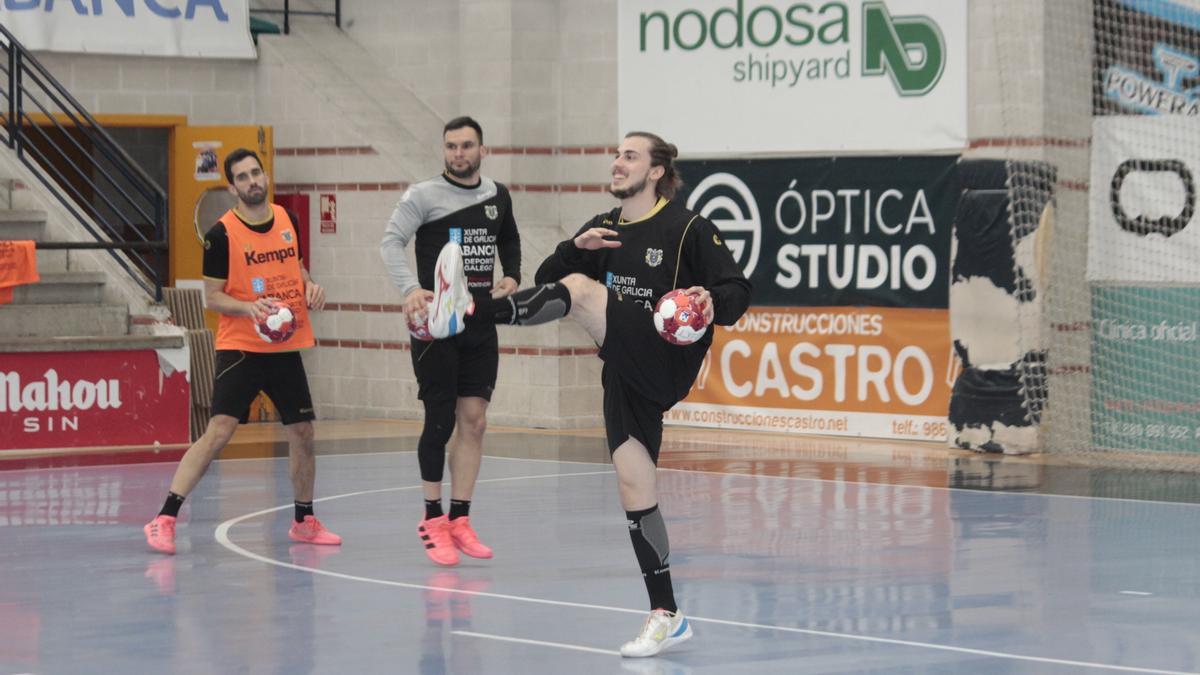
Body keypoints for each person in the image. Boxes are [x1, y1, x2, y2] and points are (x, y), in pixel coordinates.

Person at [427, 131, 751, 657]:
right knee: (634, 484)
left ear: (654, 171)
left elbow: (739, 291)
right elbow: (546, 280)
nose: (617, 162)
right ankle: (667, 613)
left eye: (629, 156)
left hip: (665, 353)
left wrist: (711, 299)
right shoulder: (603, 228)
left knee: (582, 293)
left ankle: (467, 310)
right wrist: (574, 248)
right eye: (616, 154)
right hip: (623, 366)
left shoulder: (688, 226)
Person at [143, 148, 340, 554]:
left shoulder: (287, 219)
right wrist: (249, 307)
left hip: (286, 346)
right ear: (232, 187)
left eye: (257, 172)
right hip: (242, 347)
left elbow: (296, 268)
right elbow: (212, 299)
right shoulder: (220, 235)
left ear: (265, 176)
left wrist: (309, 286)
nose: (253, 181)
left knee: (303, 431)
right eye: (243, 177)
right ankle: (164, 517)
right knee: (219, 432)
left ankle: (304, 521)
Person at [380, 116, 521, 567]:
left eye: (466, 146)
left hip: (480, 324)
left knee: (475, 420)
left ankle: (460, 519)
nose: (458, 154)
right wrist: (409, 289)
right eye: (451, 147)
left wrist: (513, 274)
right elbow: (390, 243)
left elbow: (510, 237)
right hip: (435, 327)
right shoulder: (422, 196)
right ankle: (432, 517)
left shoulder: (498, 195)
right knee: (439, 421)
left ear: (483, 150)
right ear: (443, 151)